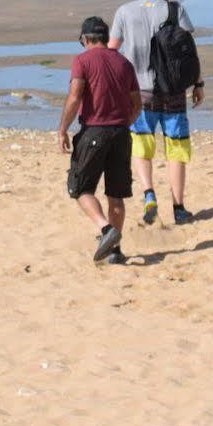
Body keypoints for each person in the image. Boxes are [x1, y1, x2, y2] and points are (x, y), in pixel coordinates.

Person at [109, 0, 204, 226]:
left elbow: (112, 50)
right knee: (176, 150)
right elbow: (189, 51)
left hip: (138, 92)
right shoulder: (176, 9)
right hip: (173, 91)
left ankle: (149, 193)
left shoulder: (124, 11)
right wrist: (198, 83)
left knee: (142, 147)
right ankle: (179, 207)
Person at [56, 16, 141, 265]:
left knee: (80, 188)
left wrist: (62, 128)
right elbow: (136, 103)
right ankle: (115, 251)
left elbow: (75, 96)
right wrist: (125, 121)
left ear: (85, 39)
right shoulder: (124, 63)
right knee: (116, 194)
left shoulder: (82, 61)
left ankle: (106, 230)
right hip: (121, 133)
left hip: (94, 130)